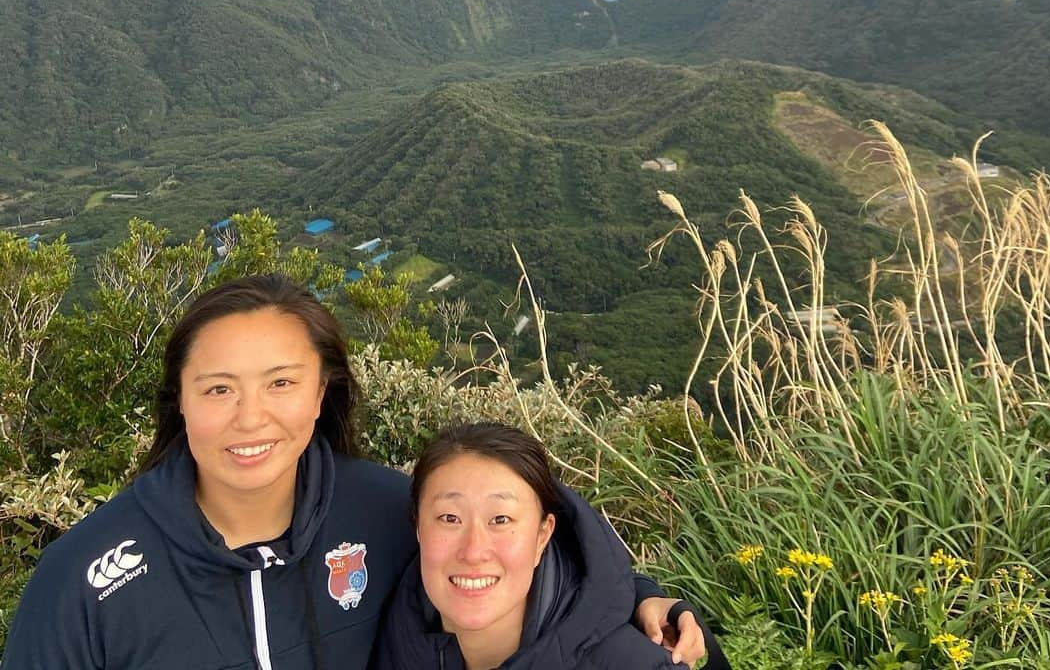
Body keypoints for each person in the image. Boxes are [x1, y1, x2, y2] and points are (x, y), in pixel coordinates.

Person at [1, 275, 705, 669]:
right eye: (218, 388)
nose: (251, 418)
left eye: (280, 383)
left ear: (321, 394)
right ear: (179, 401)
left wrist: (642, 599)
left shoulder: (380, 509)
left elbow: (503, 543)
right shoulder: (85, 580)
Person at [374, 422, 719, 670]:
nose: (473, 550)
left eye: (501, 519)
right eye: (450, 518)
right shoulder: (389, 636)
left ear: (542, 536)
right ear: (418, 527)